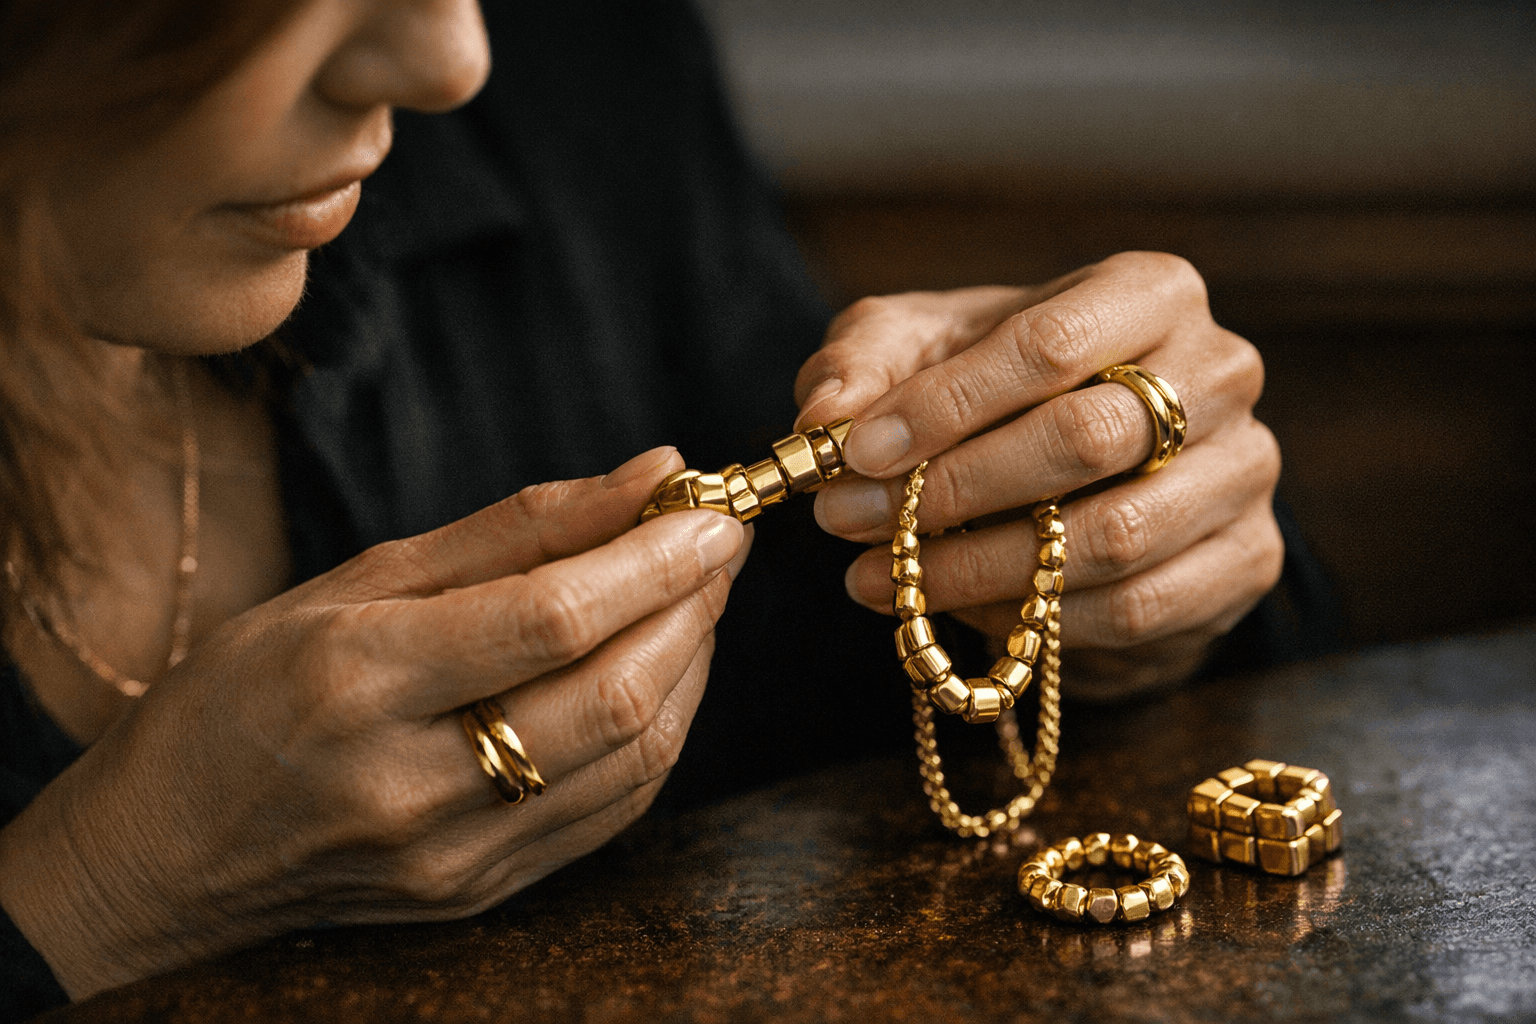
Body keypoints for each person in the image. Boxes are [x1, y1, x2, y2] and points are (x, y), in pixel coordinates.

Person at [0, 0, 1300, 1015]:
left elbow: (848, 685)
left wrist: (1110, 567)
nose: (449, 59)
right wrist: (95, 899)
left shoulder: (576, 75)